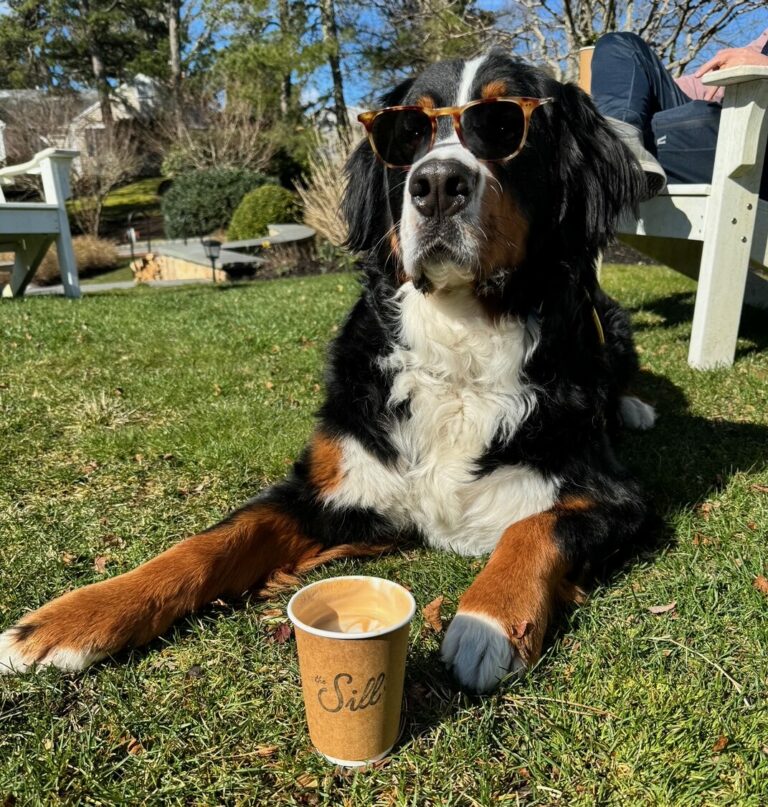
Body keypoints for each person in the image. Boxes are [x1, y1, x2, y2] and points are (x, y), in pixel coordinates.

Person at [590, 28, 768, 198]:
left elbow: (751, 64)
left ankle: (607, 153)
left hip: (748, 145)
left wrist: (762, 64)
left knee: (701, 115)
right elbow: (706, 83)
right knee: (619, 45)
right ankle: (618, 147)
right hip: (714, 126)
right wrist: (633, 85)